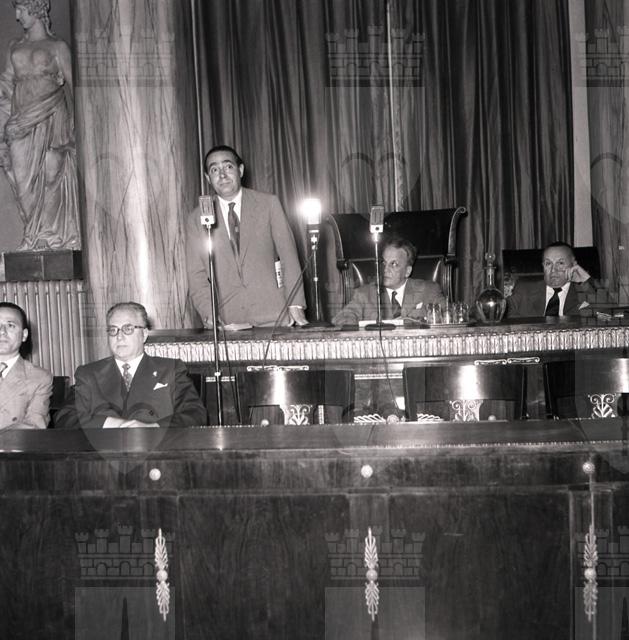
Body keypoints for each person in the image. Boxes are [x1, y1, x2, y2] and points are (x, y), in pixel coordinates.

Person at [185, 145, 307, 328]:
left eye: (228, 166)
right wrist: (209, 313)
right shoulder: (196, 218)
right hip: (228, 322)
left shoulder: (269, 204)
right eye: (214, 170)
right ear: (208, 178)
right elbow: (196, 275)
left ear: (240, 170)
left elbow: (289, 258)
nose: (222, 175)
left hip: (275, 315)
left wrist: (295, 304)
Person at [0, 0, 80, 250]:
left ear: (35, 9)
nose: (17, 16)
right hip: (20, 122)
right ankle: (33, 232)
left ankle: (47, 235)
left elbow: (76, 89)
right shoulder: (14, 48)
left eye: (22, 10)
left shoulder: (57, 47)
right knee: (22, 180)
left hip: (51, 116)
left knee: (51, 169)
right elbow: (5, 89)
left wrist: (77, 129)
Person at [55, 302, 206, 429]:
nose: (119, 337)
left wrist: (153, 428)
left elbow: (195, 414)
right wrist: (110, 424)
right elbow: (65, 417)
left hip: (157, 450)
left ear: (144, 334)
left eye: (128, 329)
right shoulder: (89, 374)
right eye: (113, 330)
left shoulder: (170, 369)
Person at [332, 235, 446, 325]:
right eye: (384, 263)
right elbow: (342, 318)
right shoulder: (364, 294)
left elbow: (449, 314)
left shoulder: (428, 290)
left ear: (407, 271)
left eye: (394, 264)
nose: (385, 269)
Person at [507, 242, 598, 318]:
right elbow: (502, 312)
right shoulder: (524, 291)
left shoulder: (585, 293)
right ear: (543, 266)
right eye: (548, 263)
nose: (553, 270)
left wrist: (586, 280)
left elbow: (605, 317)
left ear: (573, 265)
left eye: (560, 263)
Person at [0, 301, 53, 429]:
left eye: (10, 325)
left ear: (24, 335)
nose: (2, 331)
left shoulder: (39, 378)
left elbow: (34, 425)